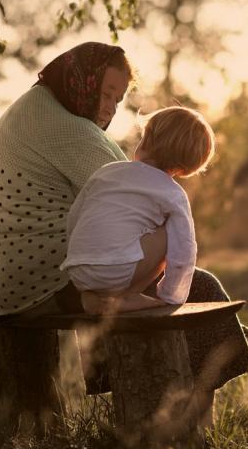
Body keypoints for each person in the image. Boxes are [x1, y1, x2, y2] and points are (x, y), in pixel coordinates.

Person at [0, 42, 248, 414]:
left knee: (127, 270)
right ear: (81, 81)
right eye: (105, 93)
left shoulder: (33, 108)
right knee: (199, 287)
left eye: (118, 99)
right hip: (40, 285)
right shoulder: (71, 131)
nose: (109, 107)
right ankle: (191, 420)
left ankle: (162, 402)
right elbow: (141, 208)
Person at [60, 106, 215, 315]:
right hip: (117, 271)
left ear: (146, 141)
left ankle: (92, 298)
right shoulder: (173, 193)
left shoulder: (107, 172)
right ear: (184, 168)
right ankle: (126, 296)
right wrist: (171, 296)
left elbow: (75, 218)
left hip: (78, 270)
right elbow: (184, 250)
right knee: (171, 233)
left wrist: (78, 255)